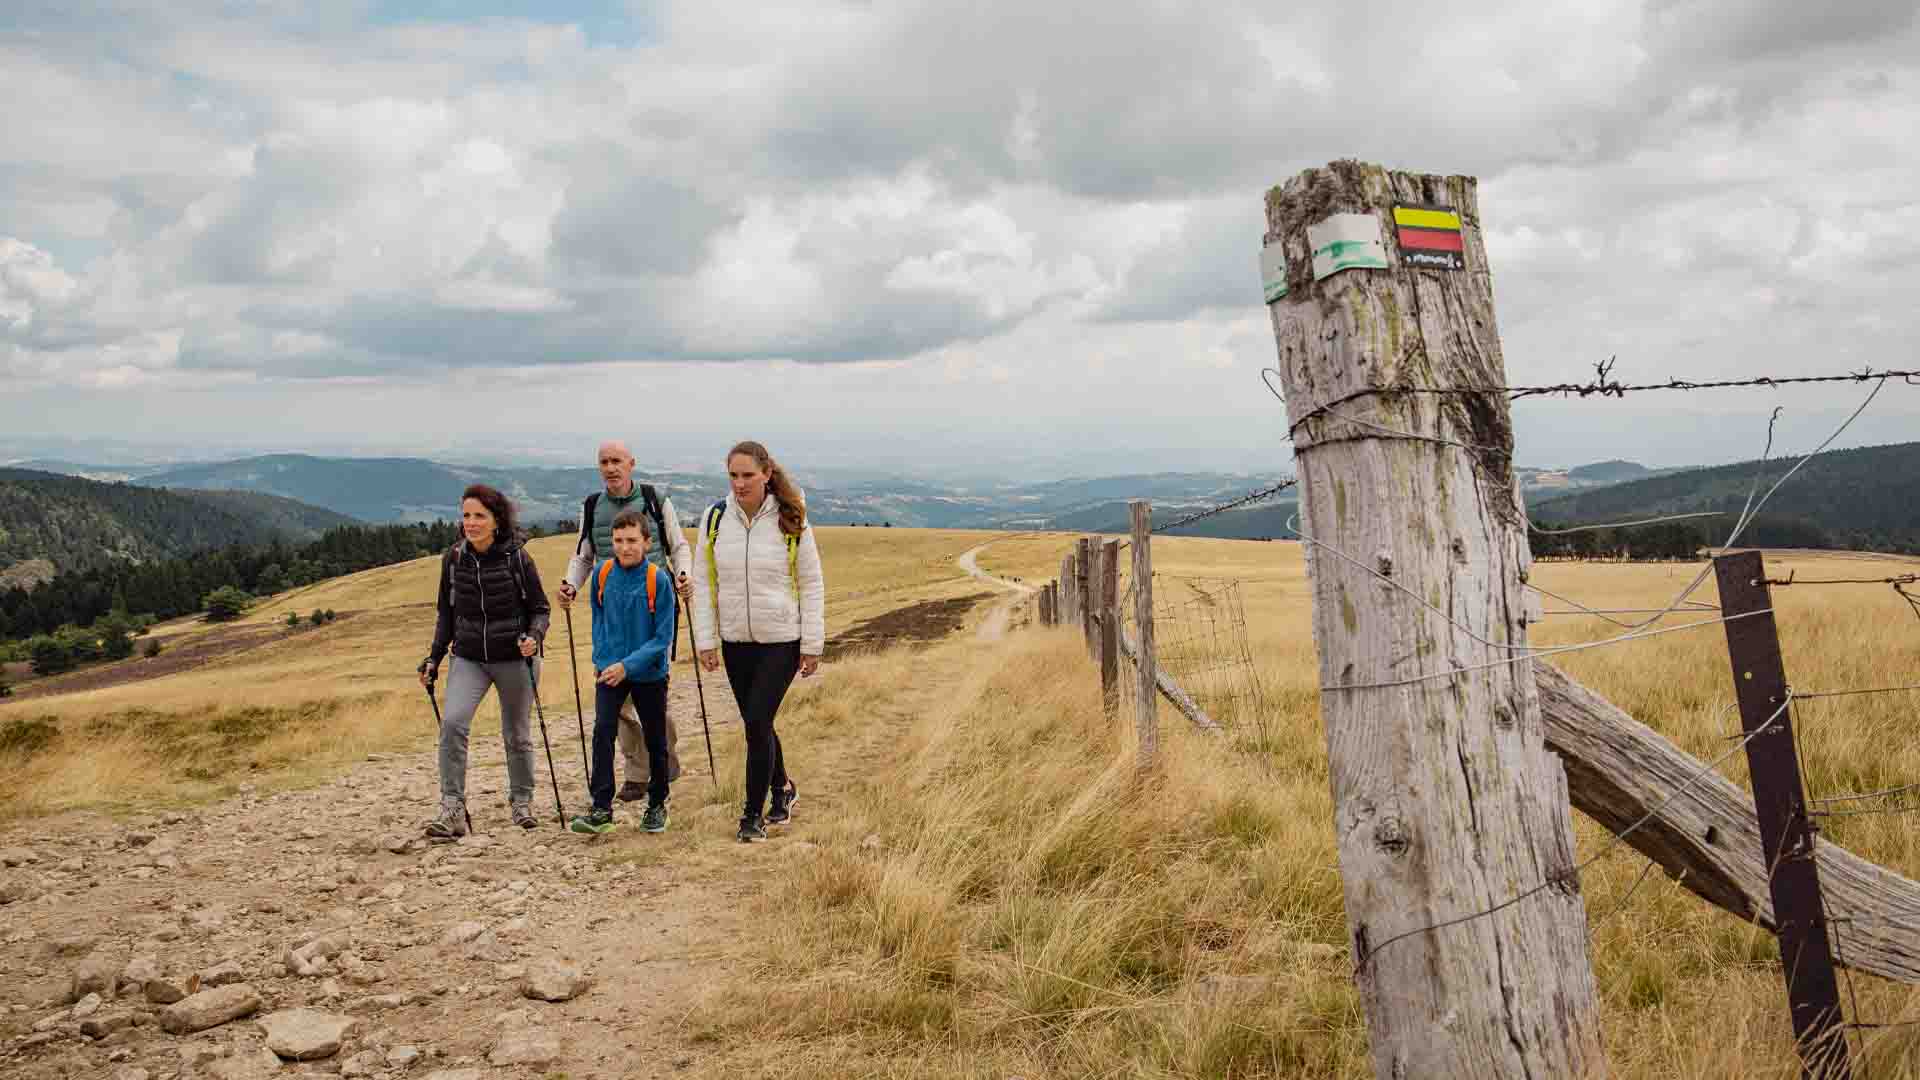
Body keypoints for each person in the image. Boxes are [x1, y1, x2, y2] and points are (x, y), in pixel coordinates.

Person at [691, 440, 826, 843]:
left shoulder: (791, 519)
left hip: (781, 640)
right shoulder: (715, 519)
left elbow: (811, 582)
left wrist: (812, 644)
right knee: (759, 722)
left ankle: (751, 817)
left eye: (748, 475)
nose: (739, 483)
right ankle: (782, 787)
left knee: (755, 723)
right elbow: (701, 580)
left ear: (767, 474)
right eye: (733, 475)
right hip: (736, 640)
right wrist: (706, 640)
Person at [557, 441, 693, 801]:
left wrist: (682, 575)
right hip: (611, 607)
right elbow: (583, 554)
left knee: (649, 693)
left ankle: (662, 755)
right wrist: (571, 585)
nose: (610, 467)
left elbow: (677, 545)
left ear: (631, 464)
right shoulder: (592, 506)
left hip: (653, 604)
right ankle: (637, 773)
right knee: (614, 701)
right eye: (604, 462)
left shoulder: (653, 499)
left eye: (616, 461)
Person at [418, 484, 551, 838]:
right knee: (453, 724)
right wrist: (433, 658)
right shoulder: (455, 558)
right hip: (470, 657)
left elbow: (540, 609)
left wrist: (533, 638)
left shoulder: (517, 558)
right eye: (466, 516)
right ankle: (452, 810)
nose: (471, 523)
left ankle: (522, 803)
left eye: (479, 516)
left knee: (517, 733)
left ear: (496, 520)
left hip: (514, 658)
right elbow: (445, 613)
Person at [572, 510, 677, 835]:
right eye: (618, 541)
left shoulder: (658, 580)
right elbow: (599, 623)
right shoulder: (602, 575)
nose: (625, 547)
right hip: (610, 670)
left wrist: (626, 666)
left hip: (649, 673)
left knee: (655, 738)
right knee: (603, 732)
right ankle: (601, 808)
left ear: (647, 542)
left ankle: (657, 804)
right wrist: (604, 661)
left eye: (632, 540)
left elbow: (663, 638)